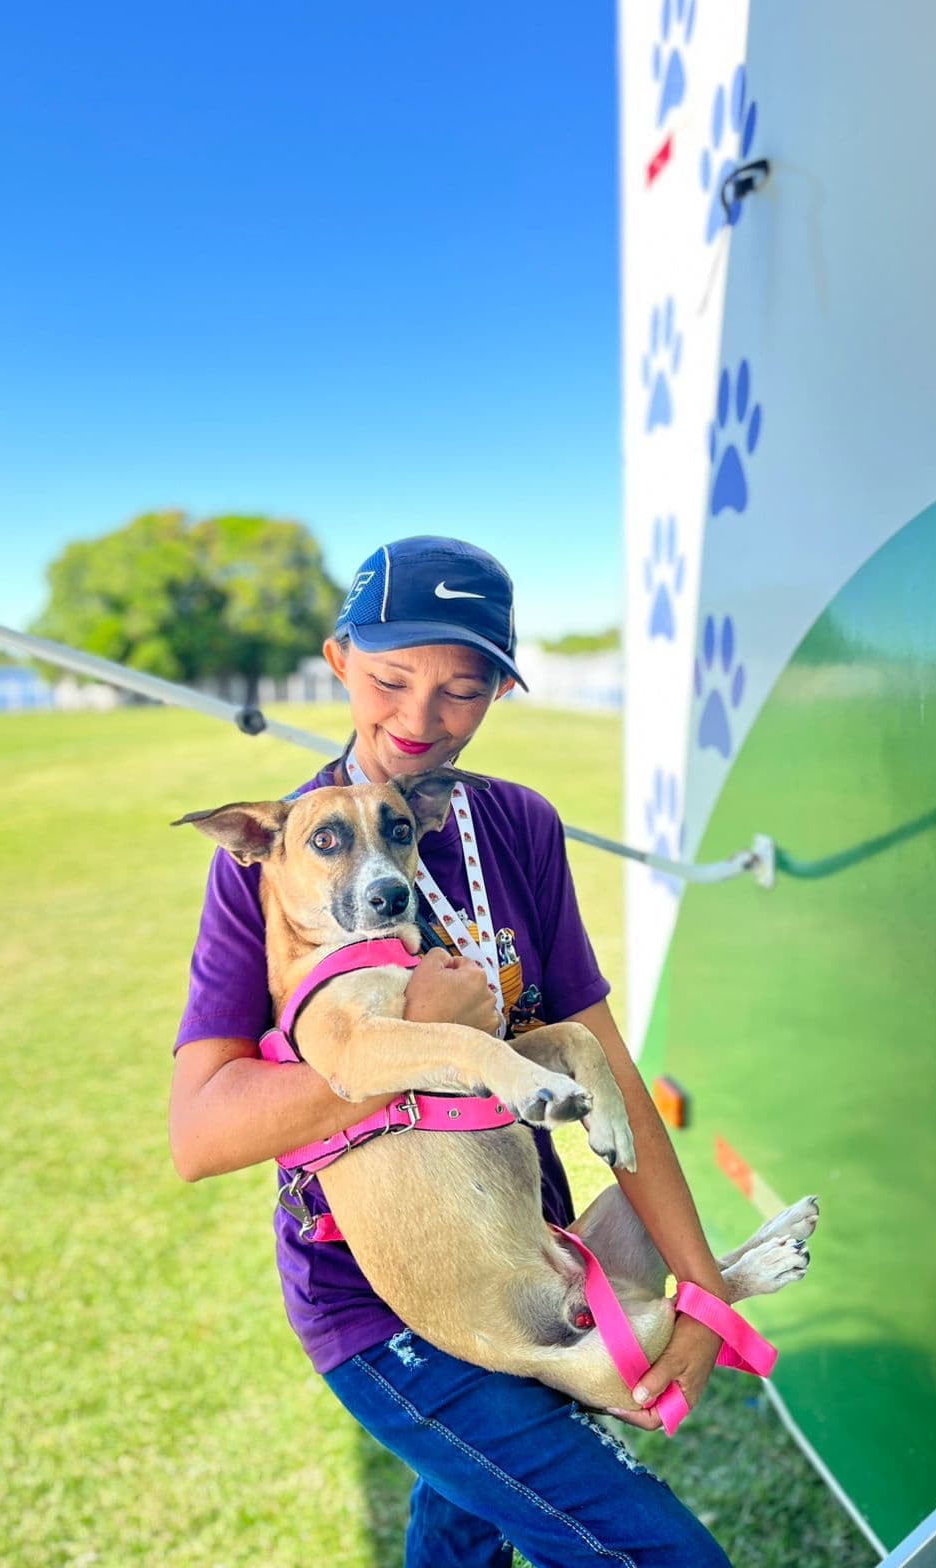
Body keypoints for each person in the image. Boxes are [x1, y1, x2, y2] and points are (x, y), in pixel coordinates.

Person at [168, 535, 733, 1568]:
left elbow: (600, 1067)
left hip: (525, 1246)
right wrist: (429, 1041)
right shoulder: (282, 851)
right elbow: (199, 1132)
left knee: (462, 1538)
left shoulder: (515, 826)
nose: (421, 722)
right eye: (390, 680)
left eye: (463, 691)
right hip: (379, 1300)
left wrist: (701, 1296)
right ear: (338, 660)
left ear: (501, 692)